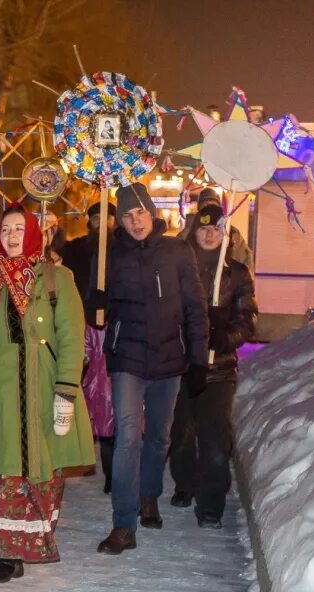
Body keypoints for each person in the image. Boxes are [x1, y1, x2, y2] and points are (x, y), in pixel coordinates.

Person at [0, 205, 94, 583]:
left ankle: (33, 541)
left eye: (19, 228)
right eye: (5, 228)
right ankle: (6, 553)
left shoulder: (56, 278)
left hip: (44, 387)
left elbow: (73, 339)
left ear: (33, 234)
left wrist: (66, 391)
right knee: (5, 470)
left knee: (42, 471)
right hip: (1, 390)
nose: (11, 236)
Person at [89, 182, 208, 555]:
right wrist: (97, 298)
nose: (134, 221)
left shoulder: (176, 252)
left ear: (151, 212)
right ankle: (123, 525)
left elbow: (195, 307)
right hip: (127, 357)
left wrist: (199, 358)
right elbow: (96, 306)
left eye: (139, 212)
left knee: (159, 435)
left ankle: (149, 496)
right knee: (128, 438)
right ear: (119, 220)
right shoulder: (110, 254)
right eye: (126, 215)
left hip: (170, 359)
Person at [169, 203, 257, 528]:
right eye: (203, 227)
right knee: (179, 435)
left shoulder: (236, 273)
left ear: (225, 233)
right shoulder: (178, 268)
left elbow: (248, 319)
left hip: (219, 370)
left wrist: (226, 336)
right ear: (194, 231)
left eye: (216, 228)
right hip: (180, 367)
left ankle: (210, 505)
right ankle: (184, 483)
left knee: (215, 441)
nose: (209, 233)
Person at [61, 203, 118, 493]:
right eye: (95, 218)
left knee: (109, 405)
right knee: (78, 398)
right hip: (80, 331)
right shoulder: (74, 250)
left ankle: (111, 471)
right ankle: (76, 454)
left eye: (106, 218)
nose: (100, 223)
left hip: (110, 333)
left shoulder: (122, 250)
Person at [180, 188, 255, 274]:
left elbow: (243, 259)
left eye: (213, 205)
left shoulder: (231, 232)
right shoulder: (189, 232)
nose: (210, 234)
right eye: (206, 206)